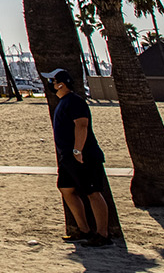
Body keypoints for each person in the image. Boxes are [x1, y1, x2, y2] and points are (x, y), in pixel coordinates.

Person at [46, 68, 113, 247]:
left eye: (52, 81)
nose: (50, 85)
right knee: (65, 188)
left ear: (61, 84)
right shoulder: (63, 102)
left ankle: (103, 235)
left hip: (84, 156)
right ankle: (84, 230)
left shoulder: (75, 101)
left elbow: (82, 126)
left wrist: (78, 151)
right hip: (67, 157)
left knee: (93, 192)